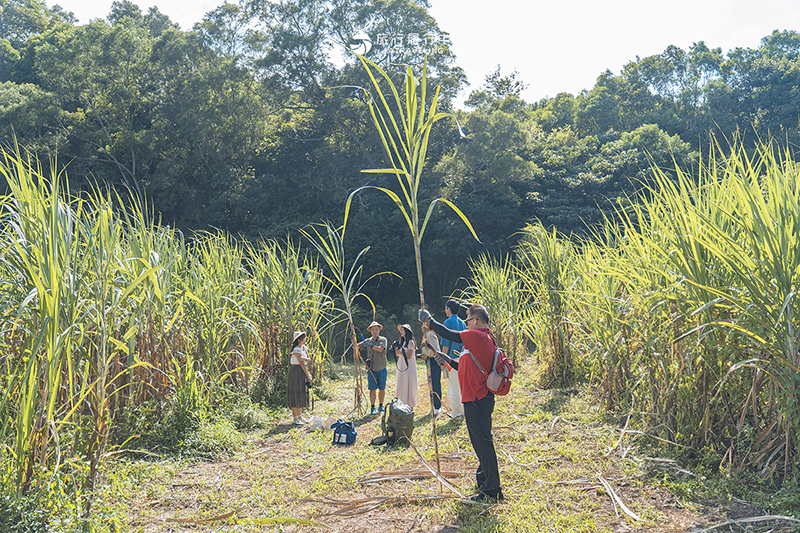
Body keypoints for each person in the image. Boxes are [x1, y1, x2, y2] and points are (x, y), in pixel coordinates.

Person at [419, 304, 504, 502]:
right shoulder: (483, 338)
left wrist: (429, 320)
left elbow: (449, 333)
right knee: (482, 442)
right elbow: (467, 365)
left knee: (483, 445)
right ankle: (484, 479)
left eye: (467, 320)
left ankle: (492, 490)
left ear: (476, 320)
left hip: (477, 399)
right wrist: (447, 360)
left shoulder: (479, 335)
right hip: (478, 398)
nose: (465, 324)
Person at [357, 321, 388, 415]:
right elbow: (357, 346)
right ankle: (372, 406)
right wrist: (353, 338)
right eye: (373, 329)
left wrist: (370, 346)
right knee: (372, 389)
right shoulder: (367, 340)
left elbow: (380, 349)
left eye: (376, 329)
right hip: (371, 368)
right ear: (370, 331)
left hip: (381, 367)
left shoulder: (383, 339)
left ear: (379, 330)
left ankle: (381, 405)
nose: (375, 331)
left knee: (382, 388)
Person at [441, 299, 466, 418]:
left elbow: (445, 344)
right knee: (462, 385)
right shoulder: (462, 323)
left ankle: (456, 413)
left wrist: (442, 359)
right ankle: (463, 410)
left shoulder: (447, 322)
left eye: (446, 308)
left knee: (453, 386)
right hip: (463, 357)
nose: (445, 310)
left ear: (449, 309)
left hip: (451, 359)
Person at [288, 331, 313, 426]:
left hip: (301, 371)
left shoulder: (304, 348)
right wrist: (308, 375)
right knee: (295, 393)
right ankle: (295, 418)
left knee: (301, 392)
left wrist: (304, 358)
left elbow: (308, 359)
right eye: (303, 338)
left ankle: (300, 416)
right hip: (296, 371)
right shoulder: (296, 349)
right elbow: (301, 362)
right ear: (299, 339)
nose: (305, 339)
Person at [420, 321, 443, 417]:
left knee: (435, 384)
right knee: (431, 383)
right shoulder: (426, 335)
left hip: (433, 362)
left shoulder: (430, 334)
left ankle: (437, 406)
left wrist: (427, 354)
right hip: (429, 361)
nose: (421, 327)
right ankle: (434, 405)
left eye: (423, 324)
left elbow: (435, 350)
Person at [393, 324, 418, 409]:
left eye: (403, 330)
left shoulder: (410, 342)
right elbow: (397, 354)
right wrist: (395, 349)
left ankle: (410, 405)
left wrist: (400, 352)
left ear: (407, 332)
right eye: (401, 330)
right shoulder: (402, 342)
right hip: (402, 366)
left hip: (409, 367)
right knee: (402, 383)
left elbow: (409, 356)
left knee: (409, 384)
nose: (401, 332)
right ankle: (402, 403)